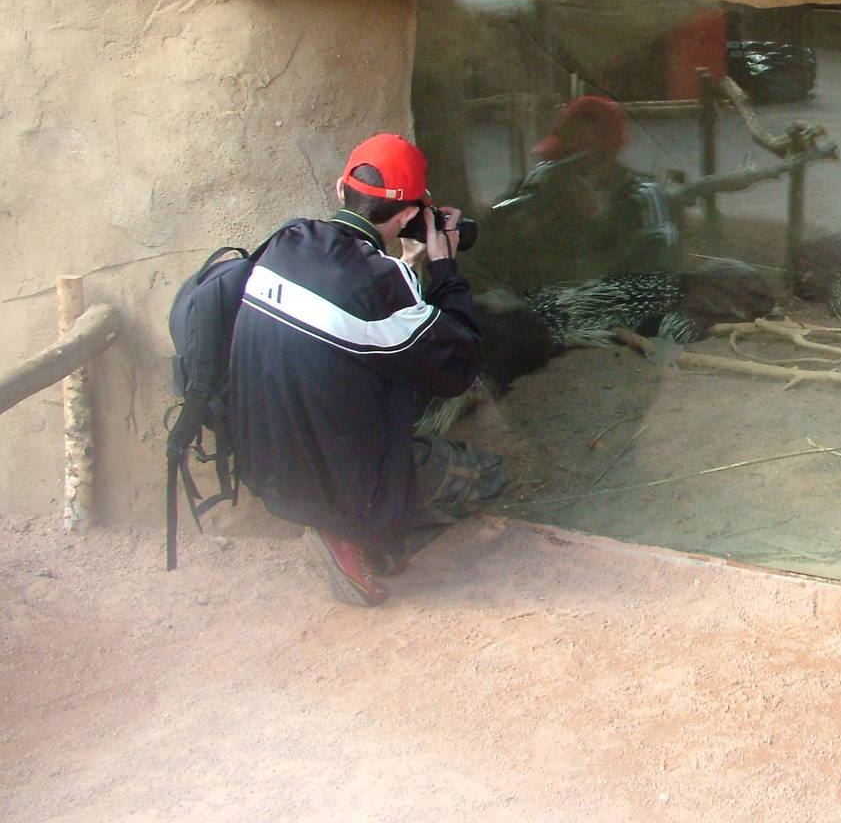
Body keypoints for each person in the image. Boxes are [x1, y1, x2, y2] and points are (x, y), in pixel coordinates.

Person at [227, 133, 505, 606]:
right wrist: (443, 269)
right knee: (487, 475)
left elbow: (356, 318)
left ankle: (360, 526)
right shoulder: (381, 283)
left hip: (266, 461)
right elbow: (457, 366)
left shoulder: (285, 243)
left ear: (341, 189)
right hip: (334, 479)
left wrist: (403, 263)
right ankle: (356, 534)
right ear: (406, 216)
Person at [482, 95, 677, 284]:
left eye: (574, 163)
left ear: (606, 157)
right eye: (554, 161)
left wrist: (597, 221)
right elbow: (493, 253)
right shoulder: (541, 191)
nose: (561, 172)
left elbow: (650, 278)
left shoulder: (641, 197)